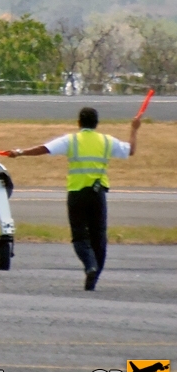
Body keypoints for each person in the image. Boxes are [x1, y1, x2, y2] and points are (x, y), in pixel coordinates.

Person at [7, 107, 141, 291]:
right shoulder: (106, 141)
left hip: (77, 193)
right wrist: (134, 128)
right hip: (97, 193)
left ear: (79, 123)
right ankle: (95, 272)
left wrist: (19, 152)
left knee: (79, 236)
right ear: (97, 123)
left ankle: (89, 265)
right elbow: (131, 150)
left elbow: (44, 149)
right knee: (98, 237)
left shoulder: (72, 140)